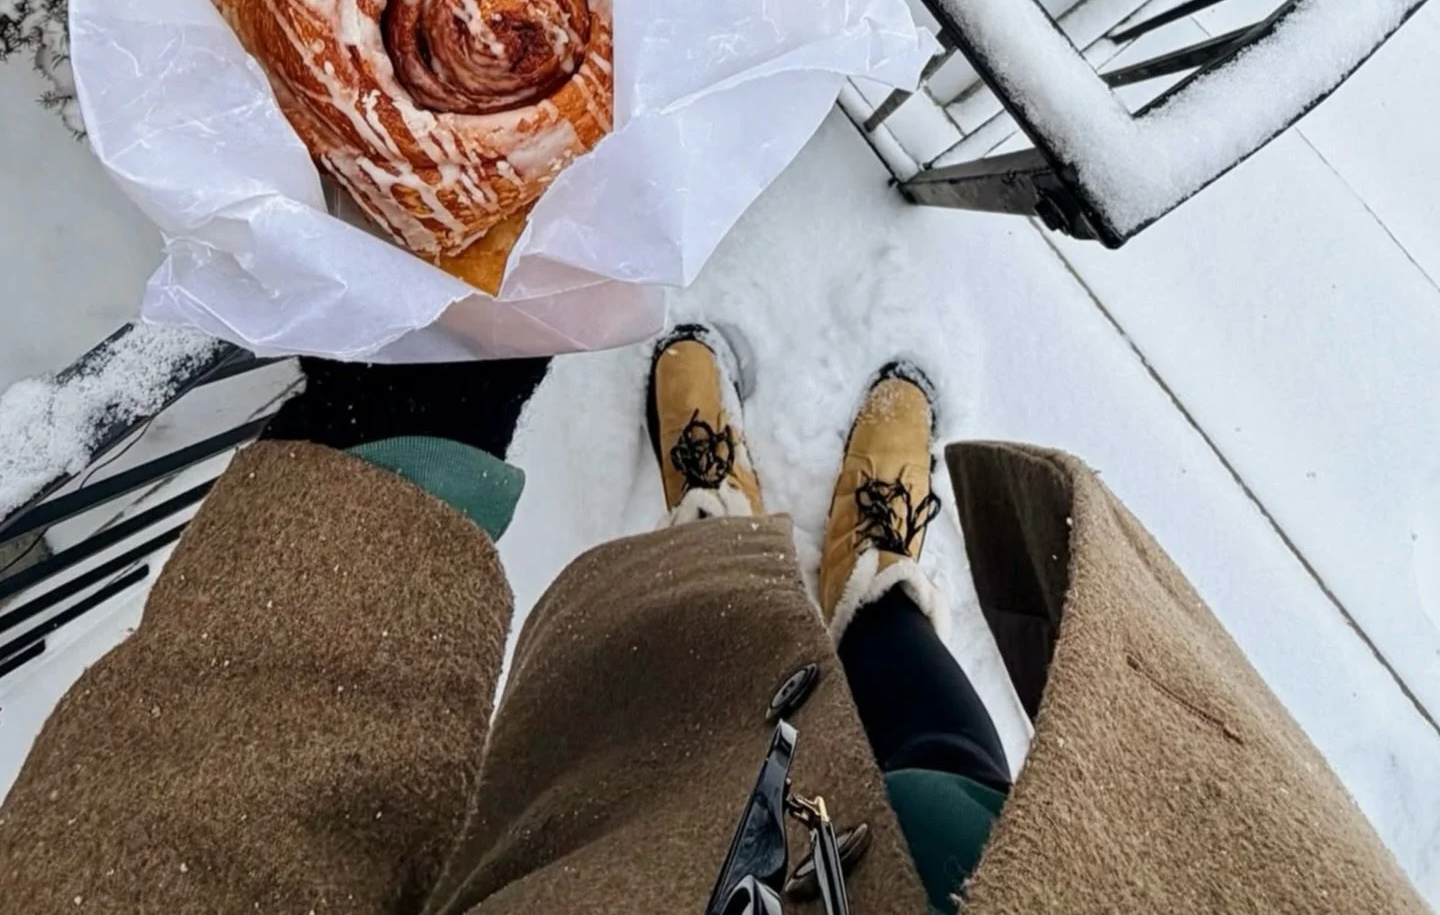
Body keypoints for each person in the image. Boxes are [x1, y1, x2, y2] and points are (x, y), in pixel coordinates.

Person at [0, 326, 1422, 914]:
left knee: (682, 663)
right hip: (1039, 879)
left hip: (636, 838)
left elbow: (172, 862)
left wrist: (403, 439)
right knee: (940, 770)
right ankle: (875, 578)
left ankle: (716, 527)